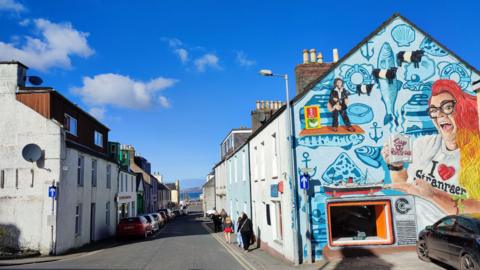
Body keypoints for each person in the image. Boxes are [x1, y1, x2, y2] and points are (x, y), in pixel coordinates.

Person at [382, 79, 480, 214]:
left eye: (447, 107)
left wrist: (434, 195)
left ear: (463, 109)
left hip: (452, 232)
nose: (439, 114)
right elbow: (407, 186)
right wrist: (396, 167)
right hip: (413, 229)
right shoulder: (424, 145)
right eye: (434, 110)